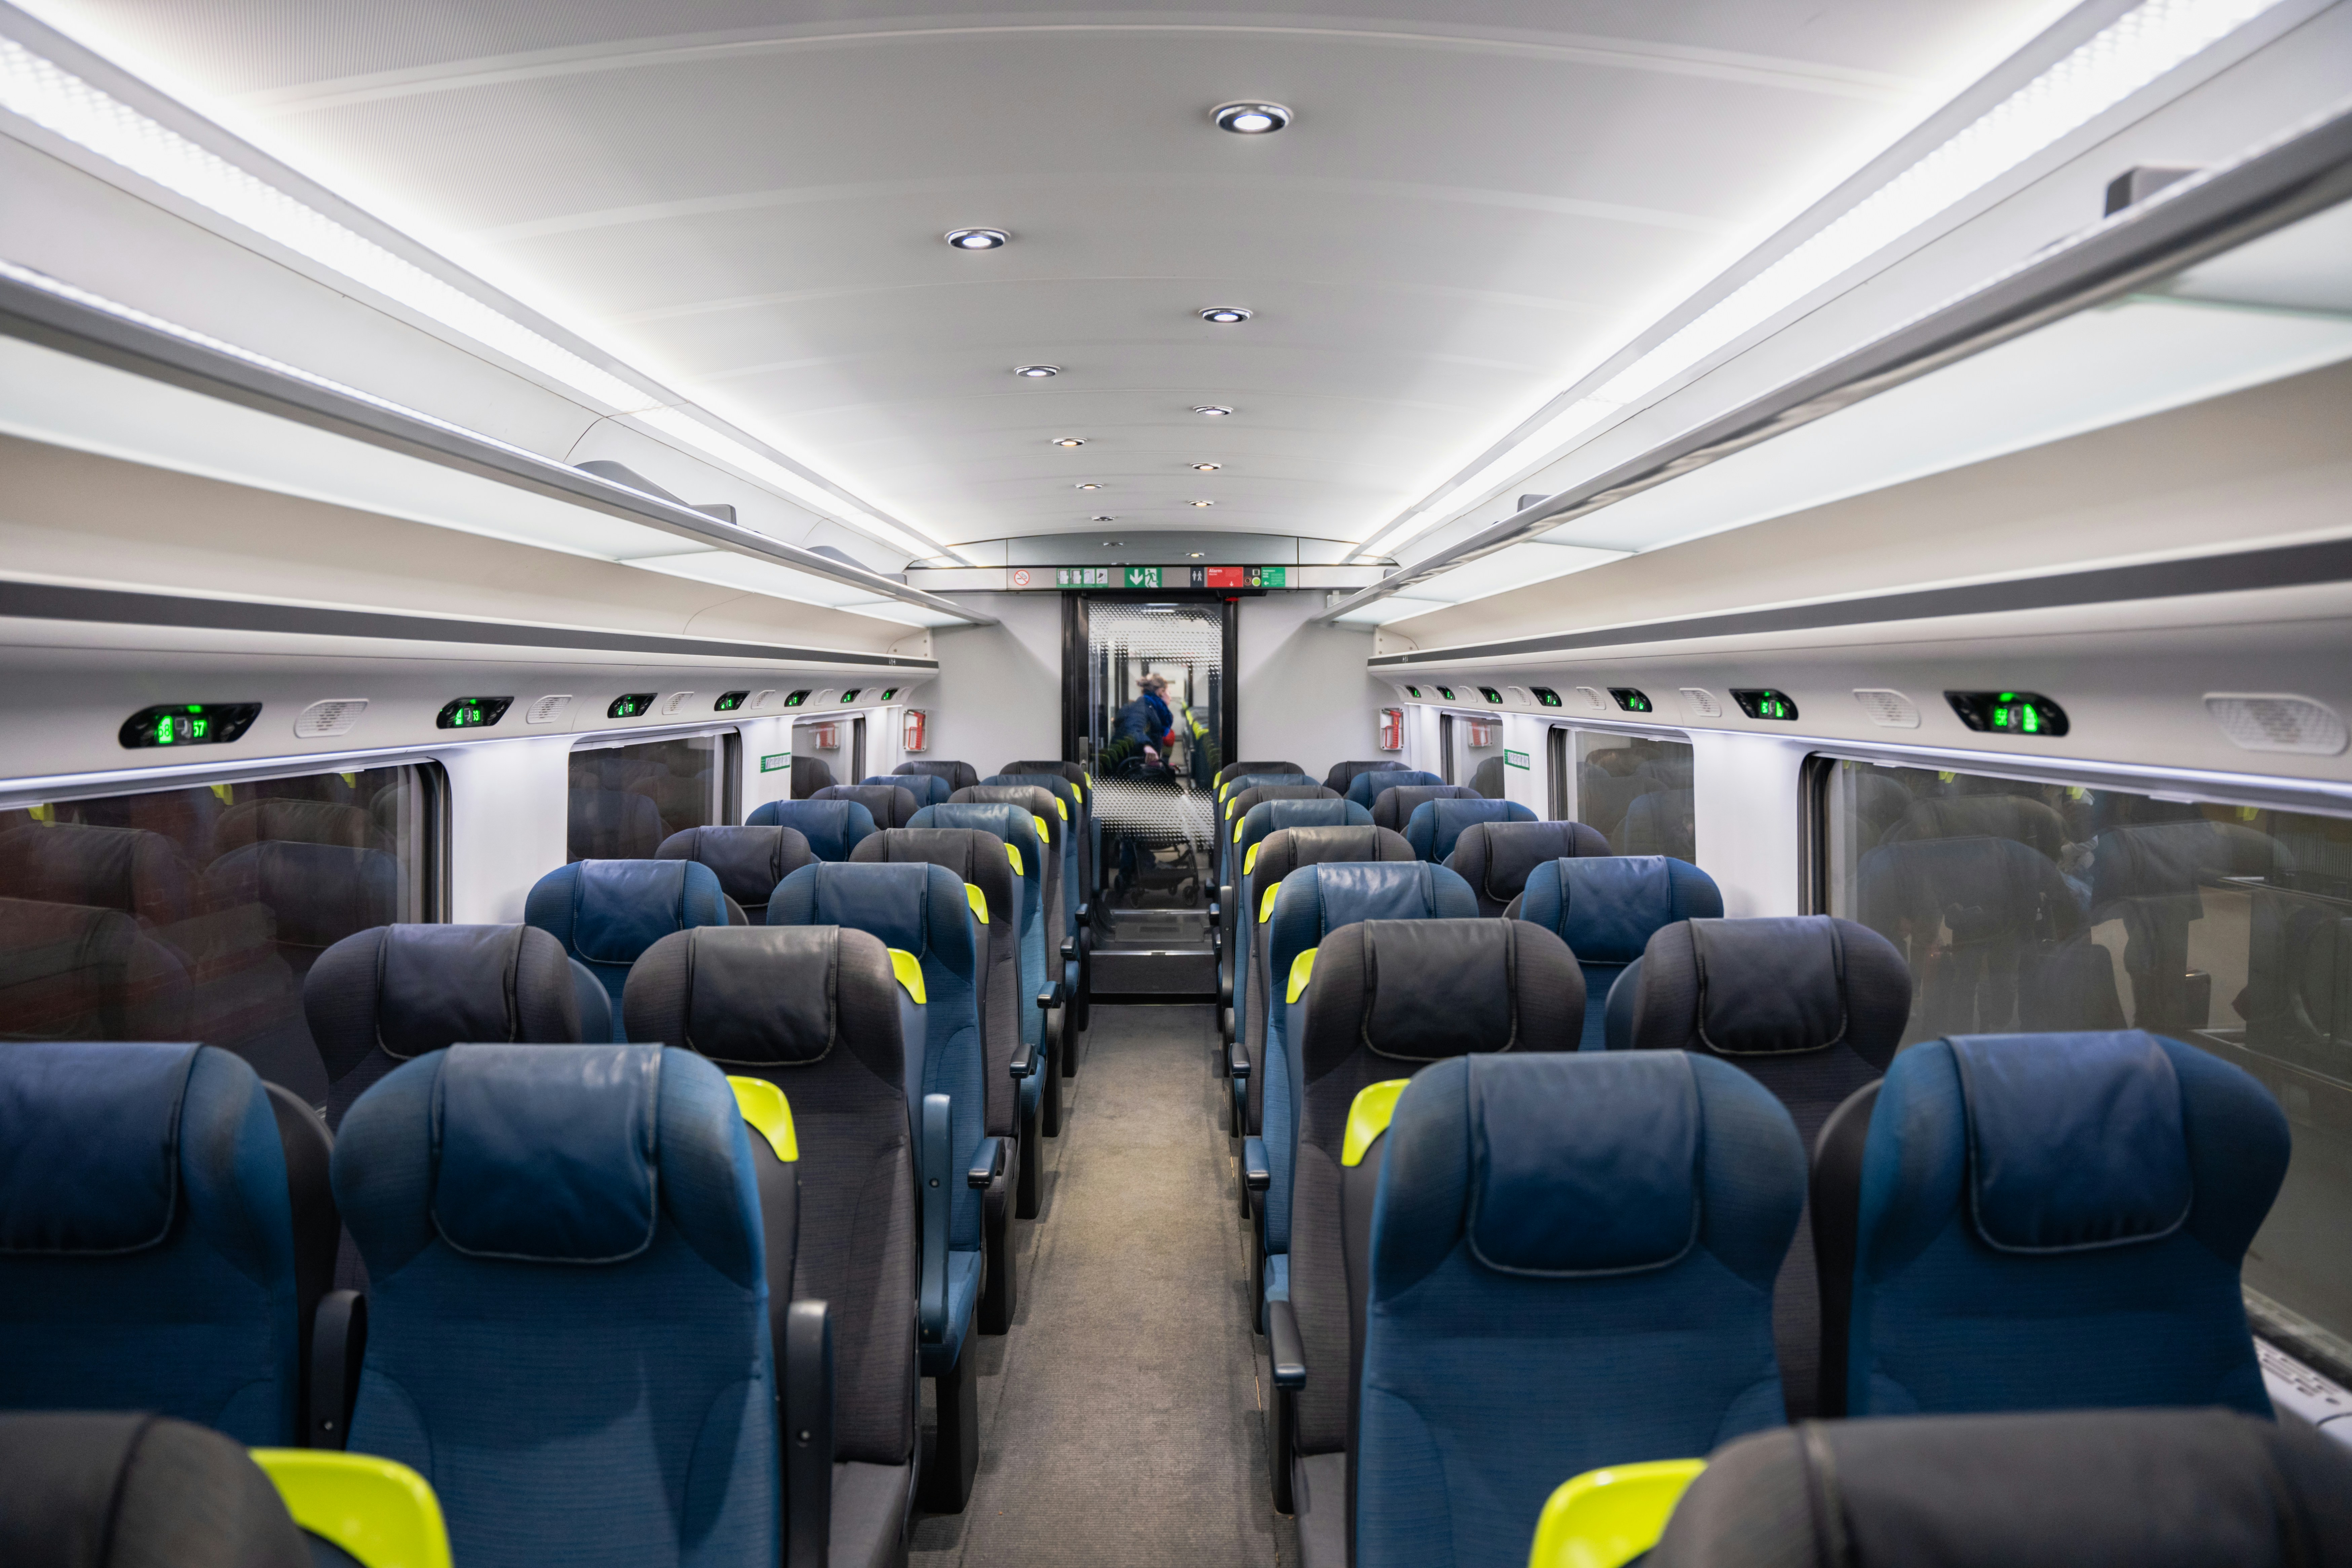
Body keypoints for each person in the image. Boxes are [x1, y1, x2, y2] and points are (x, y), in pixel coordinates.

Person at [1115, 674, 1176, 764]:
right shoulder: (1143, 706)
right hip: (1138, 766)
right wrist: (1146, 745)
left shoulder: (1152, 708)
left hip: (1144, 763)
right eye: (1169, 693)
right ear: (1161, 692)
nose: (1171, 698)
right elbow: (1134, 727)